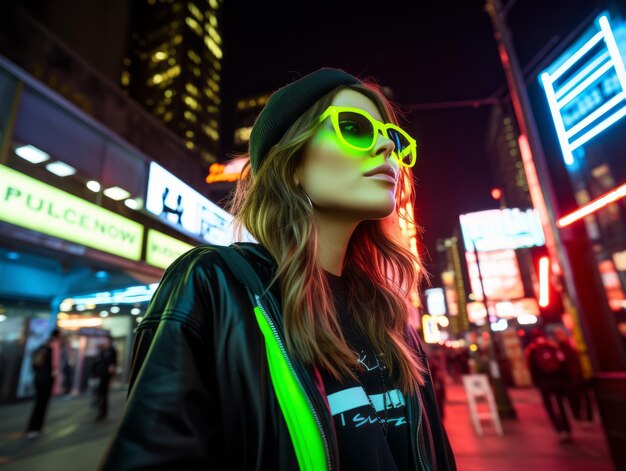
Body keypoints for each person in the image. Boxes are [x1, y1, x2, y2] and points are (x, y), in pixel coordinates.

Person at [100, 68, 456, 470]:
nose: (385, 147)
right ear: (292, 163)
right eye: (355, 128)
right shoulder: (215, 287)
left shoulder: (391, 321)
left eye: (392, 137)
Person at [524, 327, 572, 442]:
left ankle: (559, 430)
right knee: (561, 405)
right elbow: (562, 362)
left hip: (543, 382)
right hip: (556, 379)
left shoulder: (532, 350)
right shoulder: (552, 346)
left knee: (550, 407)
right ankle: (566, 429)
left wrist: (536, 382)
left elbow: (531, 368)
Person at [552, 326, 594, 423]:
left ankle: (589, 418)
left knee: (586, 398)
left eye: (562, 334)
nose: (561, 336)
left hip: (580, 375)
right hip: (569, 378)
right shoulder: (558, 348)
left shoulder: (573, 344)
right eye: (558, 335)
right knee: (574, 399)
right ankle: (578, 417)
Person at [25, 328, 60, 439]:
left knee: (39, 404)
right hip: (46, 380)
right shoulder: (54, 347)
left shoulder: (43, 346)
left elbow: (35, 363)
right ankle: (35, 428)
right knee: (42, 404)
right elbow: (55, 366)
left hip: (39, 379)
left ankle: (35, 428)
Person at [93, 334, 117, 421]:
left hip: (106, 376)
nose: (104, 341)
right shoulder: (102, 350)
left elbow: (113, 364)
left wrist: (112, 377)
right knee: (99, 393)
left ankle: (103, 412)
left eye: (106, 340)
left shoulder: (112, 351)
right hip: (100, 374)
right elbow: (97, 362)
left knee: (104, 394)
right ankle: (100, 410)